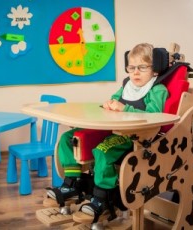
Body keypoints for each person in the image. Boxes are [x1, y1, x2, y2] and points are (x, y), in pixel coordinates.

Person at [46, 43, 169, 220]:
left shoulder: (157, 89)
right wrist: (109, 104)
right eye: (131, 67)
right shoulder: (127, 86)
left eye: (142, 67)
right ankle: (72, 184)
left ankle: (102, 198)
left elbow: (153, 117)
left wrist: (124, 108)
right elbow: (114, 100)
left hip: (135, 137)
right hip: (113, 129)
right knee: (68, 138)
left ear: (155, 70)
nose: (135, 72)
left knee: (102, 151)